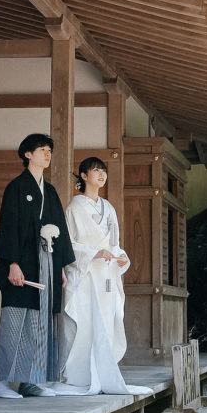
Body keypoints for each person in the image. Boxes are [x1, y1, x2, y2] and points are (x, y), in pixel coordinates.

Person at [0, 133, 73, 399]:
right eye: (42, 149)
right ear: (27, 154)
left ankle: (31, 381)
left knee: (40, 323)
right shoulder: (16, 187)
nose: (47, 154)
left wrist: (60, 268)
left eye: (49, 150)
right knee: (15, 321)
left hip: (47, 264)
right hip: (23, 263)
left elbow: (60, 229)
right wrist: (12, 263)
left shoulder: (50, 191)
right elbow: (8, 227)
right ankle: (2, 383)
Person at [50, 157, 139, 395]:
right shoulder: (74, 206)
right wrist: (92, 253)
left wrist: (121, 256)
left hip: (106, 275)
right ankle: (76, 376)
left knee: (106, 323)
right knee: (81, 324)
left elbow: (114, 244)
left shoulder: (109, 208)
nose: (102, 175)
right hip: (85, 275)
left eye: (104, 171)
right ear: (84, 176)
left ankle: (102, 372)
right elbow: (68, 244)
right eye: (96, 170)